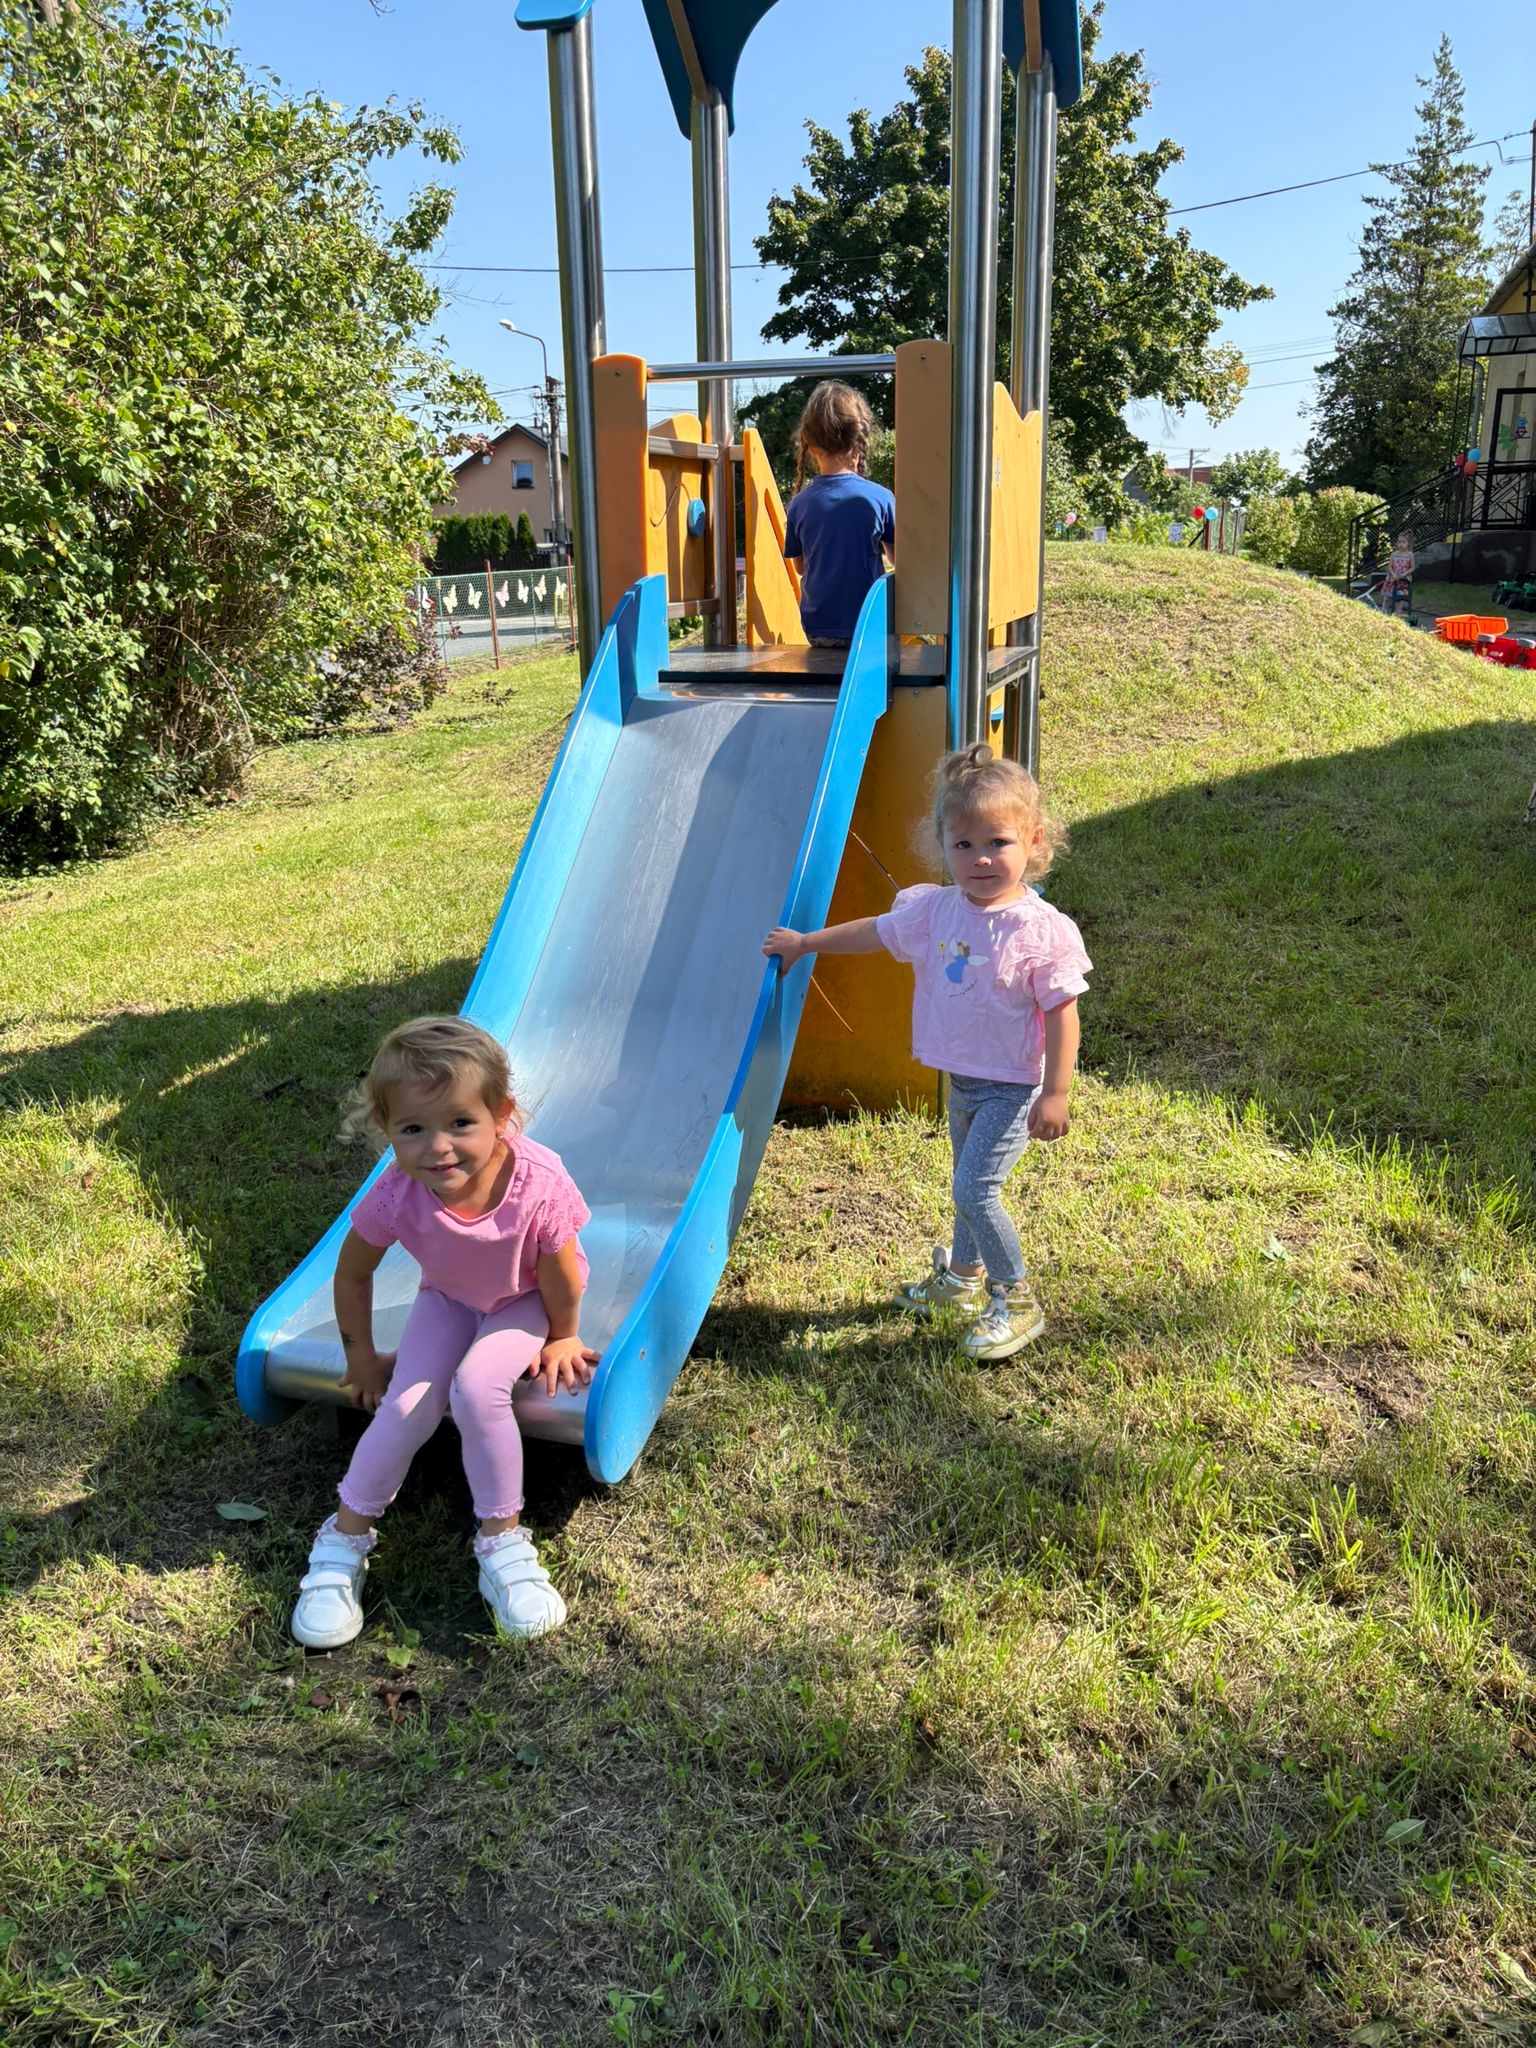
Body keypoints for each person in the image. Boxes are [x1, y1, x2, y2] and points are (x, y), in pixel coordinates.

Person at [764, 745, 1089, 1361]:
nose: (981, 858)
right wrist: (807, 943)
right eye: (963, 844)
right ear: (942, 846)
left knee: (975, 1191)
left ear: (1034, 842)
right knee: (965, 1183)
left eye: (997, 842)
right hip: (964, 1080)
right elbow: (873, 932)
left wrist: (1056, 1092)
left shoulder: (1040, 929)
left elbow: (1062, 1011)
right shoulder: (936, 911)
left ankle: (1016, 1298)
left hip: (1014, 1087)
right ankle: (962, 1281)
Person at [290, 1017, 596, 1650]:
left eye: (460, 1123)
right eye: (413, 1129)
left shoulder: (537, 1182)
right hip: (449, 1297)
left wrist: (564, 1334)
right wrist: (362, 1358)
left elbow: (561, 1272)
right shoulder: (396, 1193)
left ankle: (503, 1541)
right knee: (405, 1406)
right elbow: (352, 1274)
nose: (439, 1148)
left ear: (501, 1115)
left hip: (527, 1298)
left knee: (477, 1387)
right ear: (386, 1128)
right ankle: (343, 1540)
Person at [783, 380, 896, 647]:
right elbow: (898, 559)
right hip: (868, 625)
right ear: (859, 440)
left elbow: (801, 567)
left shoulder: (799, 504)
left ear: (810, 447)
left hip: (817, 627)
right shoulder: (880, 498)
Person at [1380, 531, 1415, 617]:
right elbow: (1390, 566)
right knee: (1387, 598)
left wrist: (1404, 574)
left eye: (1403, 542)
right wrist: (1394, 574)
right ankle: (1383, 613)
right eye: (1399, 542)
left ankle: (1397, 614)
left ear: (1408, 543)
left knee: (1399, 598)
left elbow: (1412, 568)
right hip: (1392, 579)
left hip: (1403, 580)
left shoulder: (1410, 555)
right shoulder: (1394, 554)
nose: (1401, 544)